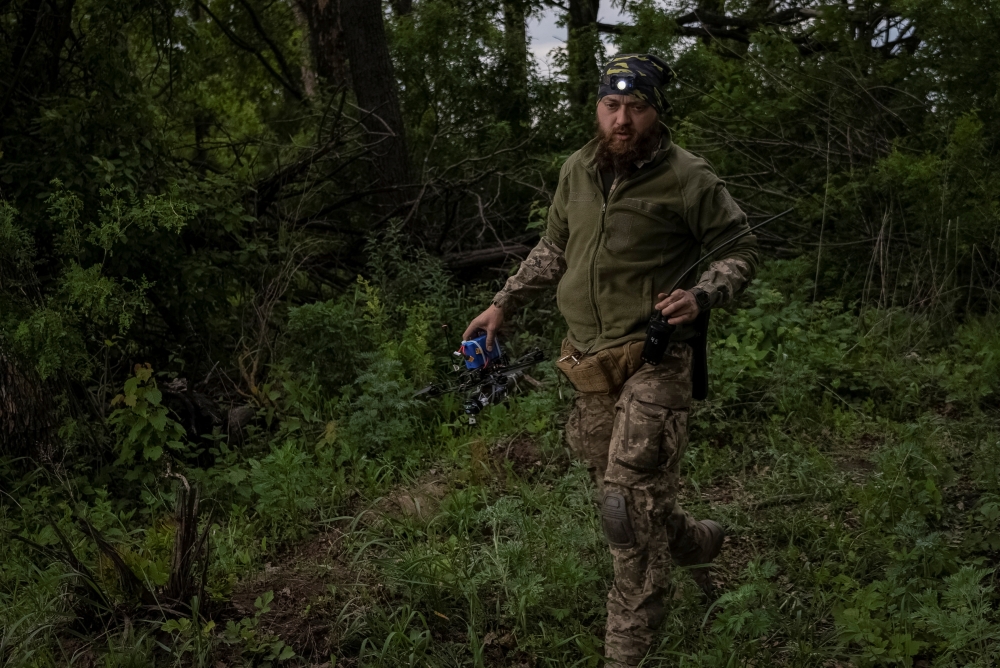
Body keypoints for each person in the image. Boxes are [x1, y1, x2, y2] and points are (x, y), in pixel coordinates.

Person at [462, 53, 759, 666]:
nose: (623, 120)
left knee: (625, 511)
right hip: (591, 362)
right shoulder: (577, 169)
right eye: (612, 105)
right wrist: (502, 304)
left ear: (656, 111)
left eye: (637, 107)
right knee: (628, 499)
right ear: (598, 108)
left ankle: (626, 654)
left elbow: (740, 251)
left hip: (657, 356)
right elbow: (554, 247)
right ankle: (694, 542)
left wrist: (702, 294)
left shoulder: (688, 176)